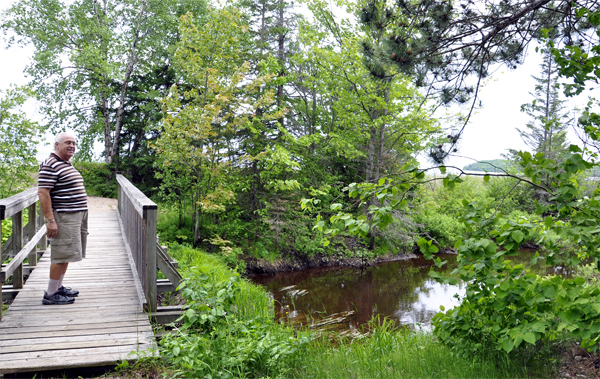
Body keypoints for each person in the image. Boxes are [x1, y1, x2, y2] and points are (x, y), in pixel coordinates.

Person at [37, 131, 88, 305]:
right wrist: (50, 220)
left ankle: (58, 287)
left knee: (66, 253)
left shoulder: (65, 163)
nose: (72, 146)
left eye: (73, 143)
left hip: (74, 216)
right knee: (60, 254)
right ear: (56, 145)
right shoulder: (51, 164)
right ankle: (51, 294)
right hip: (64, 217)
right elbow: (43, 192)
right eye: (67, 142)